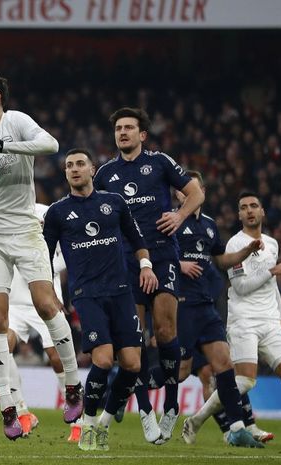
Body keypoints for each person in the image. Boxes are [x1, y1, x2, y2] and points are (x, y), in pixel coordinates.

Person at [0, 73, 82, 439]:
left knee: (48, 306)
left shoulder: (16, 121)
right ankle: (9, 409)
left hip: (26, 225)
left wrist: (5, 145)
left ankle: (74, 387)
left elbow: (50, 143)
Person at [93, 107, 204, 443]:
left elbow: (196, 190)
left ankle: (171, 404)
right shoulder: (105, 174)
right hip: (125, 261)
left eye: (129, 128)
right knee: (133, 340)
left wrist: (181, 215)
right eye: (119, 128)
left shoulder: (159, 162)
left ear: (142, 135)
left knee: (166, 330)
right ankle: (145, 412)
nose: (123, 133)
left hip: (161, 254)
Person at [44, 149, 158, 451]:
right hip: (86, 294)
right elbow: (42, 256)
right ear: (66, 173)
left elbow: (137, 240)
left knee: (132, 365)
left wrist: (145, 266)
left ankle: (104, 423)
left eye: (80, 164)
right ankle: (89, 425)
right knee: (105, 359)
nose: (74, 169)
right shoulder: (57, 212)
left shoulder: (115, 203)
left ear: (92, 169)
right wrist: (49, 291)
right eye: (69, 166)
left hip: (121, 292)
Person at [182, 191, 281, 450]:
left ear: (262, 211)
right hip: (243, 321)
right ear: (240, 214)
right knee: (244, 382)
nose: (250, 210)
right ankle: (195, 421)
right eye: (244, 207)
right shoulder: (233, 245)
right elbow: (241, 288)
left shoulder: (272, 244)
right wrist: (271, 270)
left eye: (254, 206)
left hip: (270, 320)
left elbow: (272, 286)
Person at [163, 170, 264, 447]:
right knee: (181, 373)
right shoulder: (169, 220)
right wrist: (178, 264)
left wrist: (247, 251)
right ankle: (129, 384)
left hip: (206, 307)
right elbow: (153, 256)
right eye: (182, 191)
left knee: (224, 365)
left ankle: (238, 427)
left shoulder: (209, 225)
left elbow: (221, 260)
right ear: (177, 194)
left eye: (192, 190)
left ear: (202, 193)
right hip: (181, 305)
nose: (186, 194)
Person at [6, 203, 70, 438]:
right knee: (3, 347)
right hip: (15, 299)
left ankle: (77, 419)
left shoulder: (48, 212)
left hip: (45, 295)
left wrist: (40, 267)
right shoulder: (5, 211)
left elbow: (66, 253)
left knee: (56, 357)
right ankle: (23, 413)